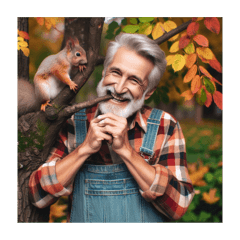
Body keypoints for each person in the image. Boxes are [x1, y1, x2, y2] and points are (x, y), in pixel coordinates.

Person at [28, 33, 195, 223]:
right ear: (104, 72)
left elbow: (179, 206)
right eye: (115, 72)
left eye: (134, 80)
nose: (119, 88)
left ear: (148, 92)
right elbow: (37, 197)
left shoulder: (165, 125)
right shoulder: (75, 122)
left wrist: (127, 152)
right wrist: (84, 149)